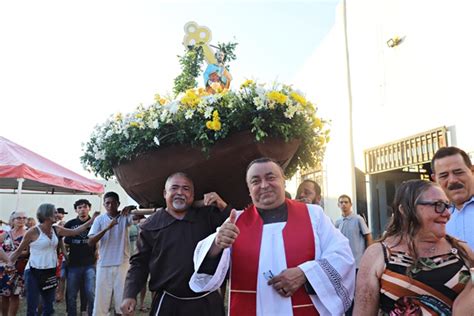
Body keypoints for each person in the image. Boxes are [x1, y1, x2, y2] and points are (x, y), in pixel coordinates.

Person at [190, 157, 355, 315]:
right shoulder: (236, 221)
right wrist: (216, 245)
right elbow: (209, 273)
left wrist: (305, 274)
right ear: (249, 189)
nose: (264, 185)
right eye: (255, 181)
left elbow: (342, 255)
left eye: (271, 178)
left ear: (283, 182)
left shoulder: (314, 215)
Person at [353, 179, 474, 315]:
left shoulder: (462, 250)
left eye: (447, 206)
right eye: (438, 205)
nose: (447, 214)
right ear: (405, 210)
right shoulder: (378, 254)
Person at [121, 172, 230, 316]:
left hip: (207, 302)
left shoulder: (208, 217)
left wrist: (222, 205)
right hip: (168, 303)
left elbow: (235, 229)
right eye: (174, 188)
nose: (180, 192)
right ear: (165, 193)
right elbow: (139, 263)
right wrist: (129, 294)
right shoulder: (150, 225)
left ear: (193, 194)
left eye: (186, 188)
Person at [9, 203, 98, 316]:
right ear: (46, 214)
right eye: (55, 212)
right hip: (33, 272)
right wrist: (9, 264)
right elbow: (18, 251)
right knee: (33, 306)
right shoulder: (32, 232)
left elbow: (75, 231)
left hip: (50, 272)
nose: (58, 215)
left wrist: (91, 221)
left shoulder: (57, 229)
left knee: (49, 307)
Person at [88, 192, 135, 316]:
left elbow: (140, 218)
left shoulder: (125, 216)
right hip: (104, 264)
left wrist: (132, 208)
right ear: (103, 204)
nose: (110, 205)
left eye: (113, 203)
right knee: (101, 302)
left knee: (122, 300)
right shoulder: (99, 219)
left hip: (122, 263)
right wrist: (107, 227)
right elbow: (91, 241)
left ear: (118, 204)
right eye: (107, 203)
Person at [431, 146, 474, 250]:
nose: (452, 180)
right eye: (444, 175)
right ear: (434, 179)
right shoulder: (430, 217)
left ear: (472, 171)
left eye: (458, 172)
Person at [64, 199, 97, 316]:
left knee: (90, 292)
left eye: (85, 207)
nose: (82, 209)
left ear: (89, 208)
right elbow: (64, 241)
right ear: (75, 210)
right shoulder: (70, 224)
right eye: (79, 207)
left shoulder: (96, 223)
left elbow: (100, 242)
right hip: (74, 264)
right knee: (71, 294)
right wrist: (65, 255)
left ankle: (91, 313)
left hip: (90, 264)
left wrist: (97, 257)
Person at [0, 211, 28, 316]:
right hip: (6, 268)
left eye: (24, 218)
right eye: (18, 218)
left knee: (15, 295)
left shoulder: (28, 233)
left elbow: (28, 252)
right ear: (13, 220)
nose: (21, 220)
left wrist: (16, 253)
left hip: (19, 267)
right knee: (4, 295)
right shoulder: (7, 234)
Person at [335, 194, 372, 269]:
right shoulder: (337, 222)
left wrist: (369, 255)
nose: (344, 204)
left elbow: (368, 236)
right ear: (338, 205)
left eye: (346, 202)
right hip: (344, 261)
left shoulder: (358, 219)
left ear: (350, 204)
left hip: (358, 262)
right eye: (341, 202)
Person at [55, 207, 68, 303]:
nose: (62, 216)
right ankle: (59, 294)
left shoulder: (67, 232)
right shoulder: (55, 228)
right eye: (61, 213)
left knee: (62, 277)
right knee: (61, 276)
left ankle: (61, 294)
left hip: (64, 257)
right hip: (60, 257)